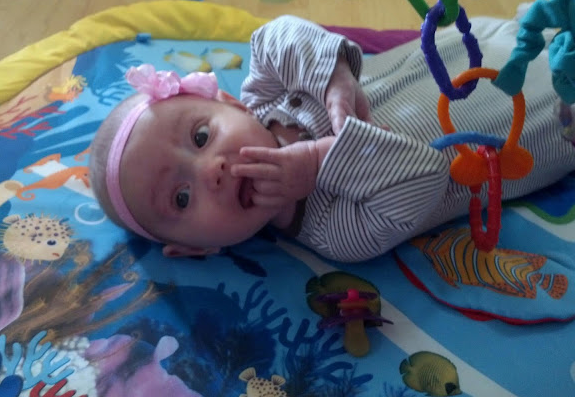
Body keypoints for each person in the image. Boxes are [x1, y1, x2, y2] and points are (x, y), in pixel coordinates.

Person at [89, 15, 575, 262]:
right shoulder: (335, 231)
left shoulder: (265, 98)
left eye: (201, 136)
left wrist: (334, 78)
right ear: (195, 249)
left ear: (231, 103)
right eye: (181, 197)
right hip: (550, 114)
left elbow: (275, 34)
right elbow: (425, 176)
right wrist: (318, 163)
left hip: (486, 43)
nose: (210, 170)